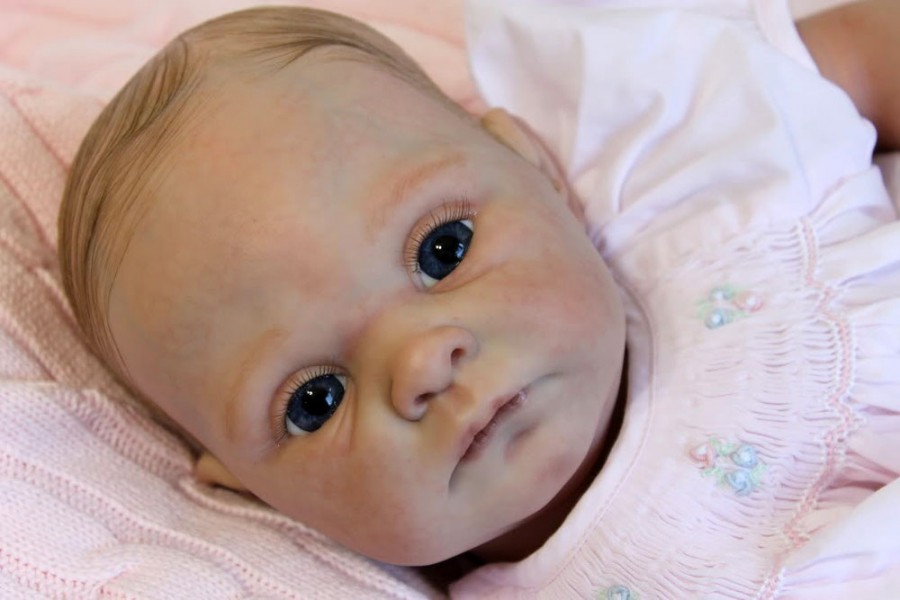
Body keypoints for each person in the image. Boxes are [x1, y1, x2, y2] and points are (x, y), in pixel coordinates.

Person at [57, 0, 900, 596]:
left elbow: (864, 53)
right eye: (316, 399)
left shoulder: (682, 186)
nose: (423, 364)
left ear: (533, 166)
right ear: (251, 493)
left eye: (444, 250)